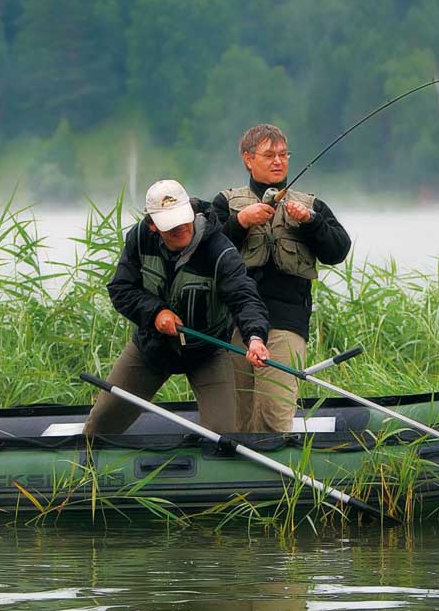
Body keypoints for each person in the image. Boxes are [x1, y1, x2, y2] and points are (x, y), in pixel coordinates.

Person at [83, 179, 271, 437]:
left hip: (208, 351)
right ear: (152, 226)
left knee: (222, 435)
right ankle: (86, 472)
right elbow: (121, 289)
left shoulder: (220, 250)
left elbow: (245, 297)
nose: (180, 228)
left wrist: (255, 337)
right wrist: (156, 312)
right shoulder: (139, 239)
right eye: (170, 224)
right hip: (151, 347)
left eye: (183, 219)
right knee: (100, 425)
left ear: (192, 212)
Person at [212, 124, 351, 433]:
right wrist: (239, 222)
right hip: (234, 324)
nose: (278, 161)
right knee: (238, 416)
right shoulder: (225, 203)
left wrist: (312, 223)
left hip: (286, 323)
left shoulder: (312, 205)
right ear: (248, 159)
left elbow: (338, 250)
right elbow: (205, 250)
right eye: (269, 154)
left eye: (283, 154)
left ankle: (277, 477)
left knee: (274, 415)